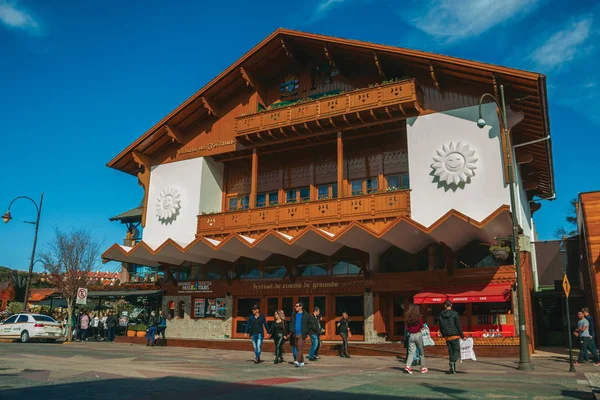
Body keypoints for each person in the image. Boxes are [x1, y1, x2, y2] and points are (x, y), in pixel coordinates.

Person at [438, 300, 465, 374]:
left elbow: (440, 325)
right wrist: (462, 336)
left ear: (445, 306)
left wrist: (443, 334)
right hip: (455, 334)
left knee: (451, 352)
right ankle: (452, 362)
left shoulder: (441, 314)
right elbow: (458, 325)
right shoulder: (455, 313)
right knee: (456, 350)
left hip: (447, 335)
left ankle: (452, 368)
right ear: (451, 305)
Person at [404, 305, 427, 374]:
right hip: (418, 335)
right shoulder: (418, 318)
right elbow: (422, 326)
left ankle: (408, 366)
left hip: (411, 336)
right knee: (421, 352)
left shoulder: (408, 318)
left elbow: (407, 328)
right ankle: (422, 368)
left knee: (411, 352)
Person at [290, 301, 309, 367]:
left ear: (301, 307)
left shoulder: (306, 315)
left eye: (297, 306)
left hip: (302, 334)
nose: (295, 307)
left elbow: (309, 324)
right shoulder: (293, 314)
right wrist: (291, 330)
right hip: (295, 333)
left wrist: (307, 332)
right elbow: (291, 323)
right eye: (295, 306)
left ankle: (297, 360)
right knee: (298, 348)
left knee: (300, 347)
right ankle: (302, 361)